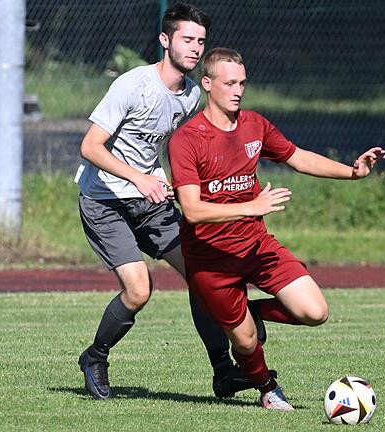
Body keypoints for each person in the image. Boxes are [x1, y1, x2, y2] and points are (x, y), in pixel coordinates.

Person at [168, 47, 385, 411]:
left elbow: (297, 157)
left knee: (315, 312)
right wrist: (251, 206)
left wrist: (353, 172)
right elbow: (190, 210)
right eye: (229, 83)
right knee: (246, 343)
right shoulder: (187, 139)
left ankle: (249, 312)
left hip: (256, 247)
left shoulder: (255, 125)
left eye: (242, 83)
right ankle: (267, 389)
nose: (238, 90)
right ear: (207, 84)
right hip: (211, 261)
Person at [75, 4, 264, 401]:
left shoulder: (193, 93)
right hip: (105, 201)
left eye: (200, 41)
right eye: (187, 40)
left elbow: (170, 149)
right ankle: (95, 357)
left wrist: (169, 181)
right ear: (165, 41)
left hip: (151, 203)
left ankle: (223, 372)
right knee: (139, 290)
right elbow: (90, 147)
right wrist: (139, 178)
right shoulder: (133, 85)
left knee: (202, 276)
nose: (195, 48)